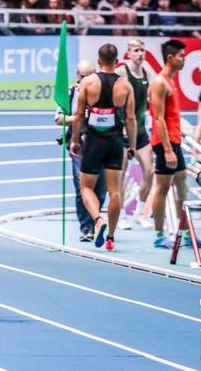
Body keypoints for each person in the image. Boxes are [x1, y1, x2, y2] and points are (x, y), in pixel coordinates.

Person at [71, 44, 137, 251]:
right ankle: (110, 238)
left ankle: (98, 220)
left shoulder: (88, 83)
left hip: (93, 141)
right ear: (116, 62)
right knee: (115, 191)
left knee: (86, 187)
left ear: (98, 62)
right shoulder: (125, 86)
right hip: (116, 141)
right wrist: (132, 145)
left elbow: (80, 116)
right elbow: (131, 119)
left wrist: (74, 140)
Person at [149, 39, 201, 248]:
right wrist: (167, 150)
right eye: (182, 56)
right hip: (164, 144)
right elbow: (157, 118)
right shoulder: (159, 82)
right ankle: (158, 235)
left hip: (174, 141)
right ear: (170, 57)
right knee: (163, 188)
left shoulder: (170, 80)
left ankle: (185, 233)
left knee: (183, 185)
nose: (184, 59)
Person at [55, 60, 107, 242]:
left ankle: (97, 221)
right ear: (77, 75)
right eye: (83, 76)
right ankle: (87, 228)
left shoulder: (103, 89)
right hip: (79, 144)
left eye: (90, 75)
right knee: (81, 186)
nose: (86, 79)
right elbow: (59, 119)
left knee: (101, 189)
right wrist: (78, 118)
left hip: (101, 142)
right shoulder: (70, 92)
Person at [115, 39, 154, 229]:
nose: (140, 54)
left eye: (142, 50)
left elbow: (148, 101)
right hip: (123, 131)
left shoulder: (147, 73)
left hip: (140, 131)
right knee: (120, 174)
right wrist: (119, 122)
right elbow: (111, 95)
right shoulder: (122, 72)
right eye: (136, 50)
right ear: (129, 52)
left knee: (149, 171)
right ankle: (121, 215)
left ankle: (139, 213)